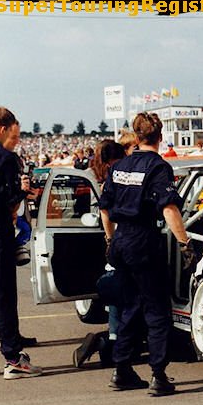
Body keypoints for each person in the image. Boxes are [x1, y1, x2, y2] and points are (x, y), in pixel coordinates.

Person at [99, 112, 194, 396]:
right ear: (160, 136)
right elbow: (169, 209)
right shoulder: (158, 167)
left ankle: (122, 368)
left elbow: (105, 208)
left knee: (130, 306)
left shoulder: (120, 167)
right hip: (143, 240)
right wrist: (185, 243)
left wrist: (110, 240)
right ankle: (158, 374)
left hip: (122, 241)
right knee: (156, 309)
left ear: (136, 137)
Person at [0, 107, 42, 379]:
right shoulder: (6, 158)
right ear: (2, 129)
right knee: (4, 294)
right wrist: (22, 191)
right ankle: (13, 358)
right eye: (14, 133)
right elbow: (9, 202)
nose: (16, 139)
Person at [73, 140, 126, 368]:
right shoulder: (95, 177)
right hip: (113, 238)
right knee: (118, 294)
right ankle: (109, 341)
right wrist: (109, 238)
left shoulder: (110, 176)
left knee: (117, 294)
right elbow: (97, 210)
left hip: (113, 238)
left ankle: (108, 340)